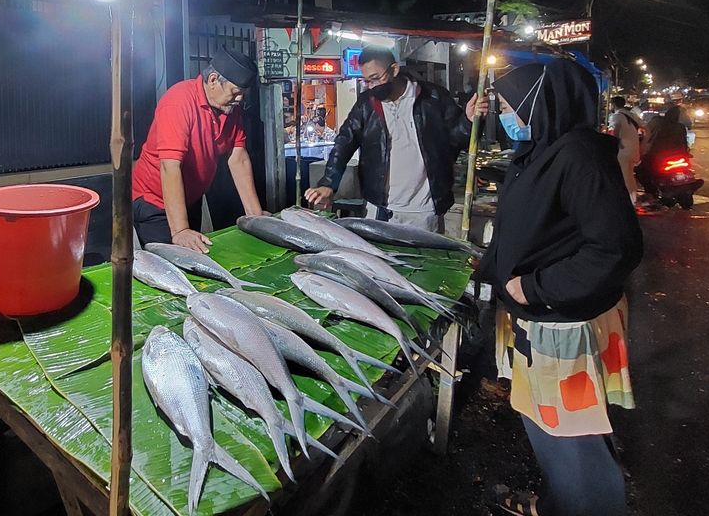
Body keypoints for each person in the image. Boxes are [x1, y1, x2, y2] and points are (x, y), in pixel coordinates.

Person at [477, 60, 643, 516]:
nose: (505, 114)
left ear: (541, 104)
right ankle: (556, 505)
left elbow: (615, 248)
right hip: (539, 322)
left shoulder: (579, 157)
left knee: (571, 437)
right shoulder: (541, 150)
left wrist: (534, 287)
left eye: (511, 105)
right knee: (549, 428)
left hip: (562, 325)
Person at [303, 46, 484, 231]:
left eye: (375, 79)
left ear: (394, 69)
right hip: (379, 207)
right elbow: (344, 143)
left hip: (424, 210)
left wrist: (469, 121)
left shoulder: (434, 97)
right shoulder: (366, 104)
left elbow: (457, 140)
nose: (372, 86)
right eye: (367, 81)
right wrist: (328, 184)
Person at [130, 47, 264, 252]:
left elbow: (238, 158)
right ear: (212, 80)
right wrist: (180, 230)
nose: (239, 100)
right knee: (173, 265)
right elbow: (169, 166)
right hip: (154, 200)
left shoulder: (229, 108)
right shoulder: (178, 101)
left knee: (197, 255)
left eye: (243, 95)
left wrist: (255, 217)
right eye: (236, 92)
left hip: (189, 198)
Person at [607, 96, 642, 204]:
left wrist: (613, 144)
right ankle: (633, 200)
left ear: (613, 105)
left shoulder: (616, 116)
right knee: (629, 175)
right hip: (633, 150)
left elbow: (615, 131)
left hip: (623, 151)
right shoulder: (631, 115)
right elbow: (646, 128)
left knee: (623, 176)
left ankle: (625, 202)